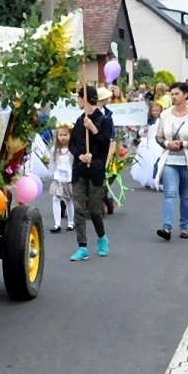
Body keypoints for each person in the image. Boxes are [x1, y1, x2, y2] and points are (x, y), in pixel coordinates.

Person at [154, 80, 188, 240]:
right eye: (172, 94)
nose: (174, 97)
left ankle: (184, 226)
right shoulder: (165, 115)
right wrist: (167, 144)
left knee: (186, 196)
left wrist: (184, 144)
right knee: (170, 194)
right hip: (170, 161)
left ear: (185, 95)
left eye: (177, 94)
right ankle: (166, 227)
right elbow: (159, 136)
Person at [68, 84, 112, 261]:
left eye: (79, 98)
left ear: (84, 99)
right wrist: (80, 155)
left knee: (94, 210)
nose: (78, 101)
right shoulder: (80, 120)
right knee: (78, 208)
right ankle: (82, 246)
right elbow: (72, 144)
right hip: (79, 169)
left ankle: (102, 238)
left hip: (96, 169)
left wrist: (93, 129)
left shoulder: (104, 120)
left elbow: (105, 144)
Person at [48, 123, 75, 234]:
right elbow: (52, 163)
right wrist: (51, 174)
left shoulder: (72, 150)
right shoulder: (54, 150)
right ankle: (57, 224)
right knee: (55, 198)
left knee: (69, 199)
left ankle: (70, 222)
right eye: (60, 135)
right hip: (58, 177)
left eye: (65, 135)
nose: (63, 137)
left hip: (69, 177)